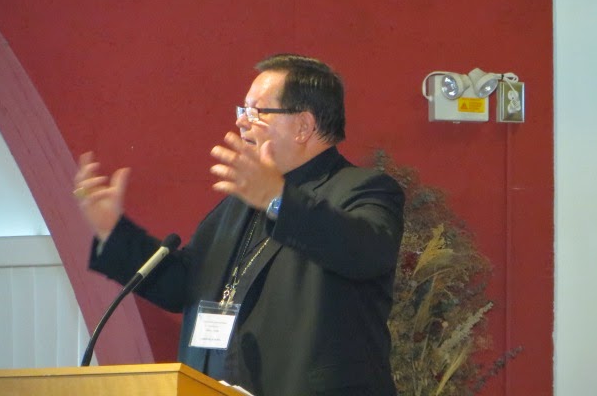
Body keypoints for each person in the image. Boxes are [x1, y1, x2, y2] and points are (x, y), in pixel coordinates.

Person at [74, 53, 405, 396]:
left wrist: (277, 198)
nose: (242, 122)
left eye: (257, 112)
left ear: (303, 126)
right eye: (242, 110)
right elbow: (183, 285)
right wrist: (113, 231)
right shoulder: (238, 204)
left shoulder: (363, 189)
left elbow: (365, 251)